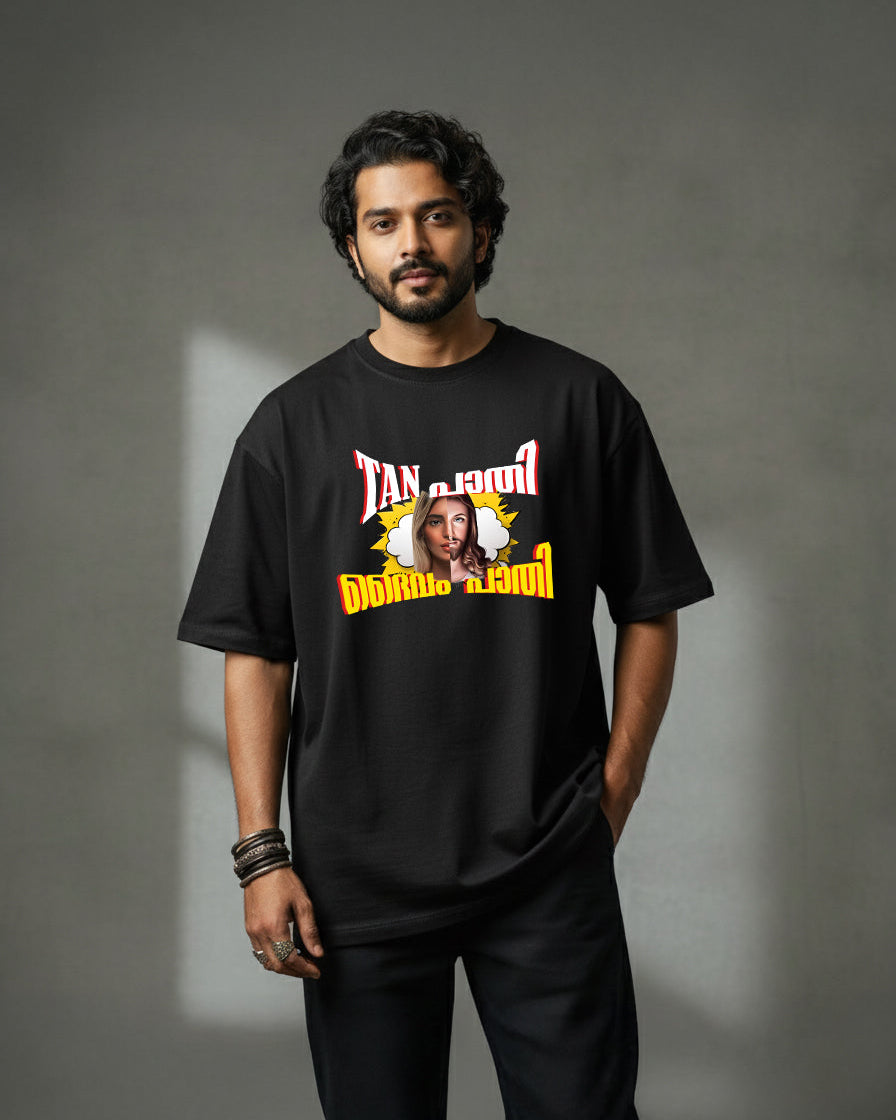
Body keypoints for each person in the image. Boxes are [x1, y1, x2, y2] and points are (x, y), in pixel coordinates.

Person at [178, 109, 714, 1120]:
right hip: (355, 875)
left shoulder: (579, 400)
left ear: (480, 230)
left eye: (436, 216)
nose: (412, 245)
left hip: (546, 858)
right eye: (382, 224)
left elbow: (649, 605)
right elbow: (254, 648)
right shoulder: (292, 427)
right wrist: (263, 853)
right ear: (351, 246)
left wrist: (614, 788)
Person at [412, 490, 493, 581]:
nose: (448, 533)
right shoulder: (410, 589)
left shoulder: (490, 583)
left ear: (470, 525)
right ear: (421, 530)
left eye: (458, 519)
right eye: (436, 522)